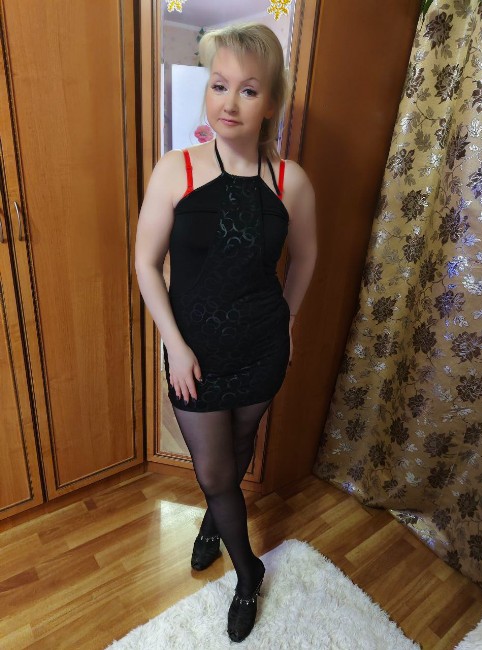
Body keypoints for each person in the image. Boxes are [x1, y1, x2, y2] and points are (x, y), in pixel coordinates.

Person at [135, 22, 317, 643]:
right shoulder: (175, 170)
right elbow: (145, 264)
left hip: (261, 346)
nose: (230, 102)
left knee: (239, 450)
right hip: (196, 352)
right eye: (219, 85)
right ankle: (248, 572)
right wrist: (174, 345)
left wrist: (287, 323)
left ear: (270, 102)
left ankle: (215, 524)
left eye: (248, 89)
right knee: (215, 473)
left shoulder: (290, 181)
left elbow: (307, 258)